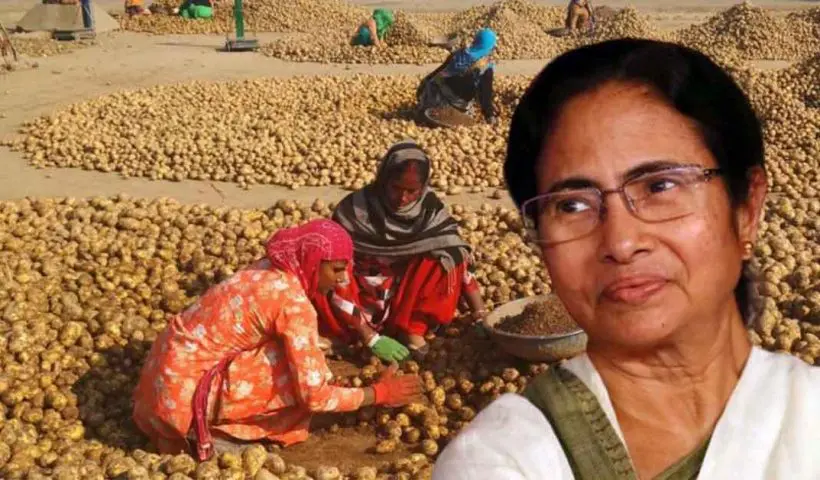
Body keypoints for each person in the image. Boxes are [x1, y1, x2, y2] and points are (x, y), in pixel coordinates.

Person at [433, 39, 820, 479]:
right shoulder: (501, 461)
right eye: (572, 205)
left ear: (746, 210)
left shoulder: (808, 420)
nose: (620, 241)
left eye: (659, 186)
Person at [133, 219, 423, 460]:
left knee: (300, 351)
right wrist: (378, 394)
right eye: (335, 269)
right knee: (302, 368)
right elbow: (315, 397)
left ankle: (189, 424)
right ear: (311, 262)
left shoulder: (267, 268)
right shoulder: (293, 304)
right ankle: (207, 433)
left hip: (155, 390)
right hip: (182, 407)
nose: (343, 280)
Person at [313, 141, 487, 359]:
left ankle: (412, 329)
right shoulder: (353, 210)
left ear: (423, 187)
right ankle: (357, 334)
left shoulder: (430, 210)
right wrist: (369, 337)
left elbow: (459, 262)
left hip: (405, 299)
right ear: (383, 179)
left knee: (448, 252)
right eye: (396, 188)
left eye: (412, 191)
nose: (403, 198)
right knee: (328, 265)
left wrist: (481, 315)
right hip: (361, 299)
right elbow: (332, 269)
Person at [416, 28, 498, 127]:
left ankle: (427, 110)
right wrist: (490, 116)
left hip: (430, 96)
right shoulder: (485, 68)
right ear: (490, 47)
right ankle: (441, 115)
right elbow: (485, 98)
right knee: (466, 114)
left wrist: (422, 88)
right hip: (451, 108)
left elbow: (437, 73)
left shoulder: (458, 54)